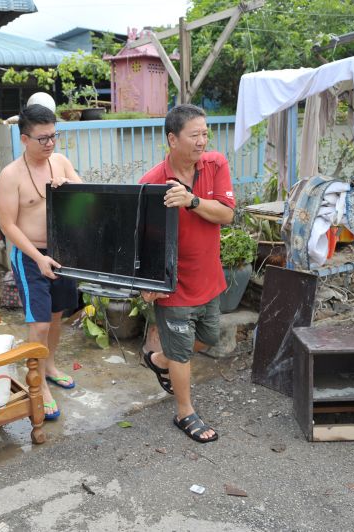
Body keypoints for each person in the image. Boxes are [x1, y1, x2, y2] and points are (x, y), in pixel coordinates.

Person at [139, 104, 236, 443]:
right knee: (182, 351)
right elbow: (143, 238)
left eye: (205, 133)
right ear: (172, 139)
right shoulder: (151, 183)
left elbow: (226, 215)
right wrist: (147, 282)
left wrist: (191, 201)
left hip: (208, 277)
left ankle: (158, 358)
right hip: (173, 284)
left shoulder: (215, 164)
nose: (201, 141)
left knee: (208, 336)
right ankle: (184, 411)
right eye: (194, 135)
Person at [0, 104, 83, 420]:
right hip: (29, 255)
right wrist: (38, 258)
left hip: (62, 251)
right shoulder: (10, 175)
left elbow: (87, 193)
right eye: (42, 138)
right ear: (24, 139)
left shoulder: (60, 162)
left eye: (53, 137)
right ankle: (40, 387)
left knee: (57, 315)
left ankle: (48, 367)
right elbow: (8, 225)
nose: (49, 144)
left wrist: (69, 188)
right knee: (40, 322)